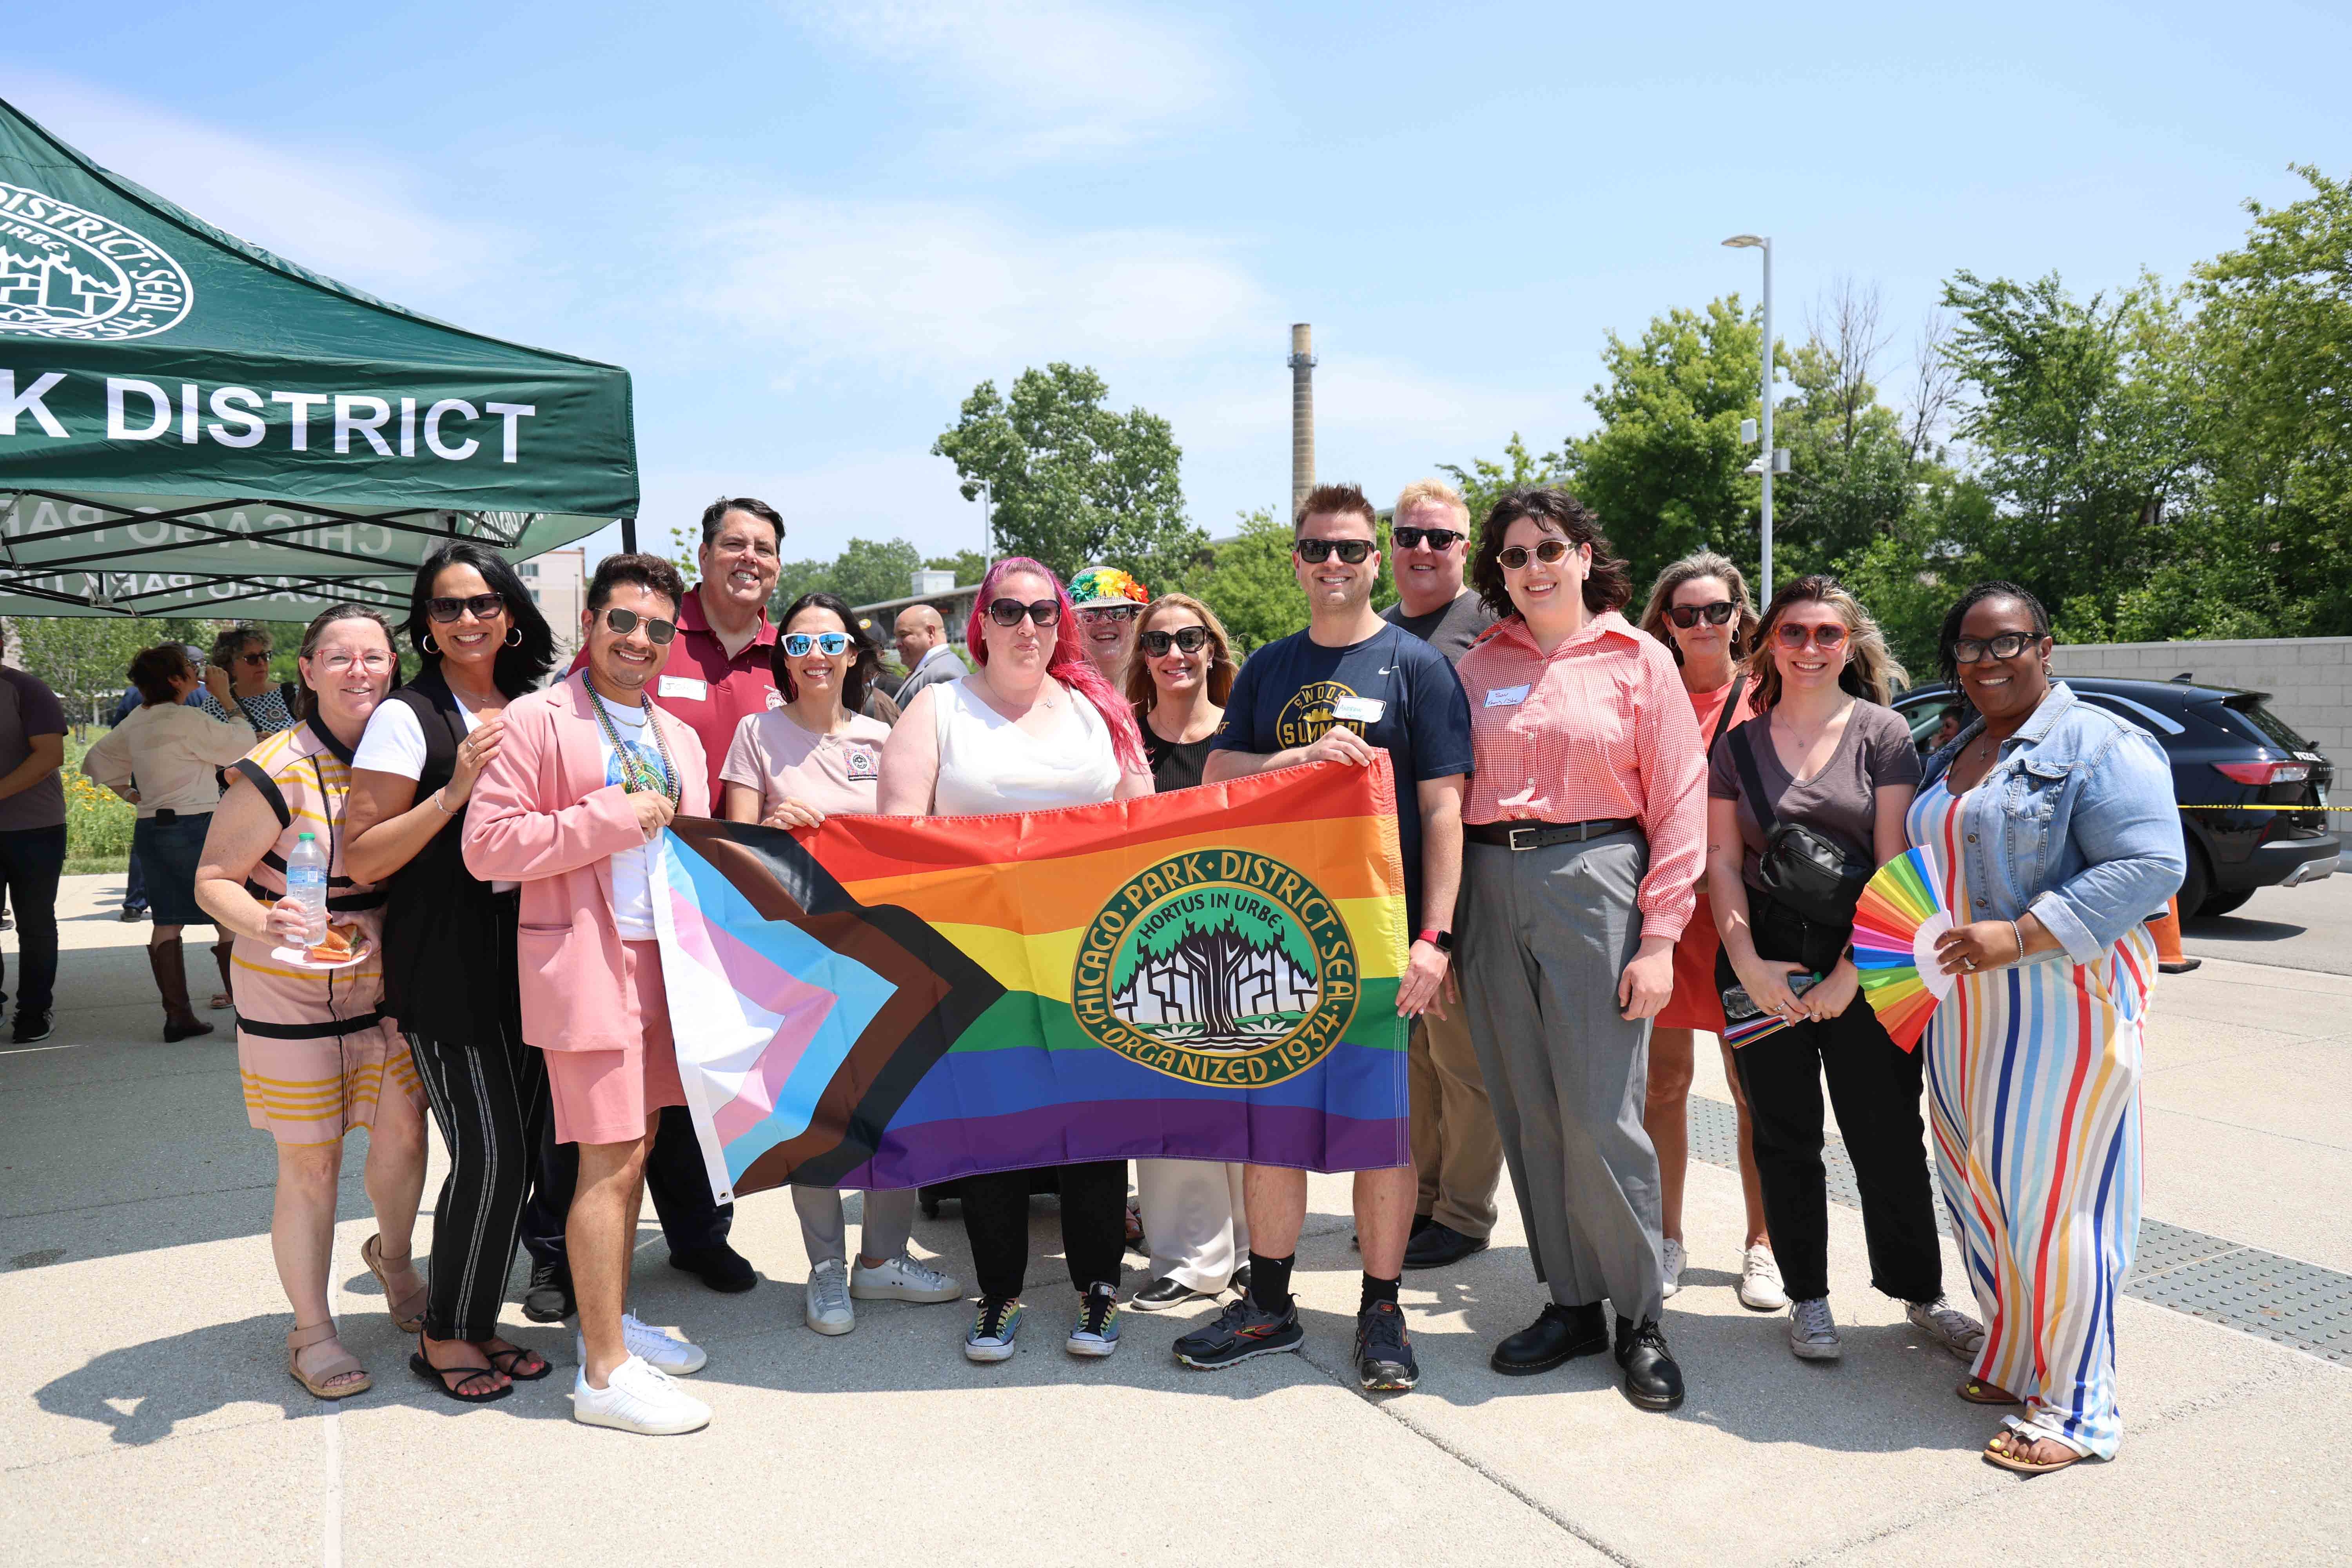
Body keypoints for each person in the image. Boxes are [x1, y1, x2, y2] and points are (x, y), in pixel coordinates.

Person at [1178, 483, 1470, 1393]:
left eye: (1350, 550)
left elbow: (1446, 808)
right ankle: (1269, 1300)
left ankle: (1381, 1309)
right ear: (1296, 560)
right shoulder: (1268, 666)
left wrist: (1437, 937)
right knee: (1274, 1125)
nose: (1334, 565)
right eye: (1317, 550)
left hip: (1382, 940)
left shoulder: (1417, 667)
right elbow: (1220, 771)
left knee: (1382, 1130)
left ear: (1375, 560)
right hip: (1278, 933)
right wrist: (1297, 757)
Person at [1910, 582, 2183, 1475]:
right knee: (1982, 1188)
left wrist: (2023, 933)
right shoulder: (1956, 746)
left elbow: (2152, 861)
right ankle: (2019, 1354)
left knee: (2058, 1198)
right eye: (1969, 647)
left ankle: (2077, 1404)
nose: (1987, 661)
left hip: (2058, 998)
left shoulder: (2100, 742)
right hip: (1963, 1008)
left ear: (2045, 645)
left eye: (2006, 642)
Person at [1448, 488, 1696, 1412]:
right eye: (1513, 556)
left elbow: (1676, 802)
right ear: (1498, 573)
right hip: (1488, 885)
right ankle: (1570, 1301)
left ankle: (1641, 1315)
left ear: (1586, 556)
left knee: (1601, 1114)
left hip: (1596, 879)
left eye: (1549, 549)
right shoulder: (1478, 667)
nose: (1534, 568)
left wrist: (1661, 936)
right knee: (1529, 1109)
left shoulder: (1641, 660)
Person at [877, 557, 1154, 1363]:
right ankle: (999, 1293)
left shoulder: (1099, 708)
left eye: (1042, 610)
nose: (1026, 625)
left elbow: (1148, 829)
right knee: (992, 1134)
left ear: (1058, 621)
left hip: (1092, 957)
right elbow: (898, 838)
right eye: (1008, 609)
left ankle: (1098, 1291)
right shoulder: (935, 710)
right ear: (981, 623)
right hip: (977, 958)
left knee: (1098, 1131)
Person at [465, 553, 717, 1436]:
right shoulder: (537, 719)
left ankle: (610, 1322)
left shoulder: (677, 733)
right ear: (591, 625)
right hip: (586, 966)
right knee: (606, 1163)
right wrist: (613, 815)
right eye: (623, 621)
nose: (638, 640)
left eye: (655, 628)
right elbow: (488, 846)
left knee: (637, 1149)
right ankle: (605, 1374)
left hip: (670, 968)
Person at [1706, 575, 1982, 1368]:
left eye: (1828, 633)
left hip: (1873, 954)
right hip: (1766, 956)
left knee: (1888, 1132)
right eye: (1793, 633)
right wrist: (1749, 965)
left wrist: (1852, 974)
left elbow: (1896, 864)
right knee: (1784, 1134)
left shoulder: (1884, 733)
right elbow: (1723, 861)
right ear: (1768, 646)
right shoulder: (1737, 745)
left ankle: (1920, 1293)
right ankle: (1808, 1295)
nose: (1810, 648)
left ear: (1850, 643)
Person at [190, 605, 428, 1403]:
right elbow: (214, 878)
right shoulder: (275, 764)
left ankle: (395, 1262)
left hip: (387, 981)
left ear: (392, 667)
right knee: (312, 1159)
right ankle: (311, 1329)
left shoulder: (406, 753)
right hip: (290, 992)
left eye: (375, 656)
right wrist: (270, 921)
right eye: (342, 657)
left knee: (401, 1138)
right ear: (311, 667)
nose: (361, 671)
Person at [719, 590, 964, 1334]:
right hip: (797, 958)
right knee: (817, 1116)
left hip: (885, 952)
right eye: (799, 645)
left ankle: (882, 1262)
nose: (816, 657)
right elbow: (729, 851)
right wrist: (768, 829)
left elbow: (917, 834)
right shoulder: (754, 735)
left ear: (855, 653)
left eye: (830, 644)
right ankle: (826, 1269)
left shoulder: (887, 730)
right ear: (782, 658)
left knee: (894, 1109)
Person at [346, 543, 559, 1403]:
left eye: (482, 603)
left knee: (525, 1154)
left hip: (535, 946)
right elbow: (362, 854)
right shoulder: (408, 716)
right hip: (446, 955)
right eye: (445, 607)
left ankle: (474, 1319)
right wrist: (454, 788)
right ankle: (441, 1334)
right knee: (492, 1152)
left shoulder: (535, 705)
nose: (466, 619)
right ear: (424, 625)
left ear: (510, 613)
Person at [554, 495, 780, 1297]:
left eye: (764, 549)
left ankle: (697, 1234)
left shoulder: (785, 655)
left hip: (714, 898)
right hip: (608, 897)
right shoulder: (645, 632)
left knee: (692, 1082)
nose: (749, 559)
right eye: (734, 544)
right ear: (707, 553)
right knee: (596, 1098)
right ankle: (560, 1256)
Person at [1633, 552, 1782, 1311]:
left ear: (1739, 617)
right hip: (1663, 917)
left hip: (1741, 918)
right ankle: (1667, 1236)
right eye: (1685, 613)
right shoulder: (1644, 691)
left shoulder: (1768, 693)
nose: (1700, 625)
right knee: (1663, 1085)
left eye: (1715, 611)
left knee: (1753, 1090)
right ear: (1664, 621)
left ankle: (1762, 1244)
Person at [1380, 478, 1503, 1272]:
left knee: (1462, 1058)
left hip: (1468, 871)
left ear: (1465, 548)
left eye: (1441, 537)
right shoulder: (1375, 632)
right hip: (1386, 876)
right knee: (1410, 1055)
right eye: (1410, 535)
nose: (1423, 549)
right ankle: (1418, 1199)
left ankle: (1464, 1210)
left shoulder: (1493, 628)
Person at [1116, 593, 1250, 1307]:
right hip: (1154, 943)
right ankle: (1186, 1259)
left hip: (1243, 933)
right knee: (1171, 1102)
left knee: (1247, 1099)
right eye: (1159, 642)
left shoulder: (1247, 732)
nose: (1176, 653)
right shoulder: (1122, 741)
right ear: (1143, 657)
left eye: (1190, 638)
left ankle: (1254, 1248)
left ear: (1212, 647)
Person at [83, 646, 254, 1040]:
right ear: (175, 680)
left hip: (153, 827)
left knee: (166, 921)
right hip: (196, 824)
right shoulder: (186, 719)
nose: (197, 672)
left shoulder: (137, 721)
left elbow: (97, 758)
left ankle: (177, 1017)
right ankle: (247, 1017)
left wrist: (128, 794)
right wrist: (227, 697)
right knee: (226, 916)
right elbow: (242, 744)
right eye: (189, 669)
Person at [0, 646, 67, 1043]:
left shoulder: (26, 689)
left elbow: (50, 755)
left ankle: (33, 1010)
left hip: (35, 829)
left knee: (35, 923)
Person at [1067, 565, 1149, 686]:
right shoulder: (1060, 693)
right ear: (1074, 624)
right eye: (1089, 614)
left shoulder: (1159, 685)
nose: (1104, 621)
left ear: (1134, 621)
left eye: (1117, 612)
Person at [211, 627, 300, 737]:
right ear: (231, 666)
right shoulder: (215, 704)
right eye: (252, 658)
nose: (261, 663)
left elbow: (316, 737)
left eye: (264, 656)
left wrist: (277, 744)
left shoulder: (291, 693)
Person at [893, 603, 969, 706]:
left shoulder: (944, 675)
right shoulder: (933, 670)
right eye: (897, 637)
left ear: (930, 633)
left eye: (904, 635)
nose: (897, 644)